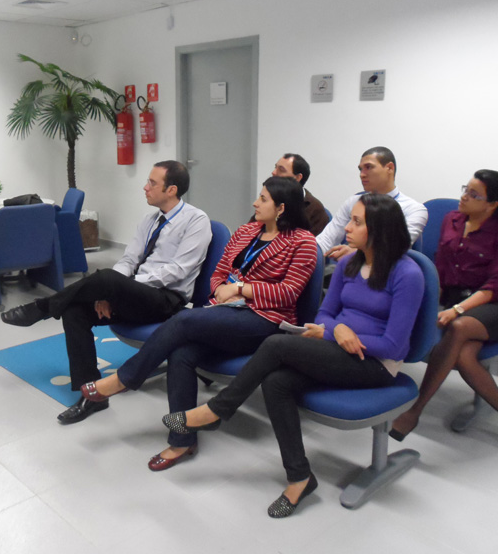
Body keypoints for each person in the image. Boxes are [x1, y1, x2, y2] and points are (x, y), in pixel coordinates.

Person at [163, 193, 424, 518]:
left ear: (380, 229)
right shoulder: (348, 264)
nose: (347, 227)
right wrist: (336, 331)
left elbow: (395, 346)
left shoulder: (407, 274)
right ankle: (300, 477)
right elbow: (324, 314)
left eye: (357, 222)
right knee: (276, 382)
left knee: (277, 345)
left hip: (376, 365)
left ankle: (217, 410)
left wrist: (336, 333)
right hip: (336, 350)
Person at [80, 176, 318, 470]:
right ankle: (182, 441)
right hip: (227, 310)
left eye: (263, 199)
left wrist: (241, 289)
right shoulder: (246, 231)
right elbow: (219, 272)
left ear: (281, 208)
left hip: (264, 320)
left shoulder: (302, 242)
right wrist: (222, 290)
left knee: (183, 321)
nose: (255, 203)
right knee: (181, 353)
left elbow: (288, 293)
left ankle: (125, 379)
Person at [1, 161, 212, 425]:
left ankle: (42, 308)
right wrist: (113, 290)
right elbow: (129, 259)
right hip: (135, 296)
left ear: (172, 190)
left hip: (167, 300)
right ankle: (92, 397)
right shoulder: (149, 220)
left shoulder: (196, 221)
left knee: (107, 278)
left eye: (152, 183)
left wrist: (121, 286)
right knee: (75, 310)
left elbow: (178, 271)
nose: (145, 187)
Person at [390, 170, 498, 461]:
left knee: (458, 328)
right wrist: (432, 305)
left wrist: (457, 310)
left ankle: (416, 410)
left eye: (473, 194)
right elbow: (441, 269)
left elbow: (496, 286)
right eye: (465, 189)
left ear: (492, 204)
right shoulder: (452, 220)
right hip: (460, 303)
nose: (464, 197)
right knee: (466, 357)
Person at [317, 146, 427, 260]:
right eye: (360, 169)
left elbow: (397, 247)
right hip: (346, 266)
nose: (362, 174)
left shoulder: (414, 209)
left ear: (389, 168)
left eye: (368, 167)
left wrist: (357, 253)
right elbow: (326, 240)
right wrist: (309, 250)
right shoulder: (353, 202)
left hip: (388, 268)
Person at [269, 154, 330, 235]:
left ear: (297, 178)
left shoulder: (315, 209)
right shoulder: (269, 199)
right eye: (275, 167)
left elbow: (313, 242)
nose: (273, 173)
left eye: (281, 170)